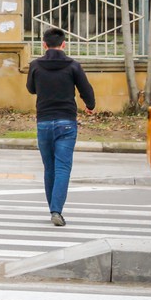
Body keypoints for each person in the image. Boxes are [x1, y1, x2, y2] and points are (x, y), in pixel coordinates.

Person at [26, 27, 96, 227]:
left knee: (50, 168)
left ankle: (53, 210)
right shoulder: (73, 66)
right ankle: (56, 210)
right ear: (64, 44)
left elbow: (31, 89)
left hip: (44, 122)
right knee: (63, 167)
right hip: (66, 123)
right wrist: (90, 106)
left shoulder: (35, 65)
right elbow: (86, 90)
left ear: (44, 45)